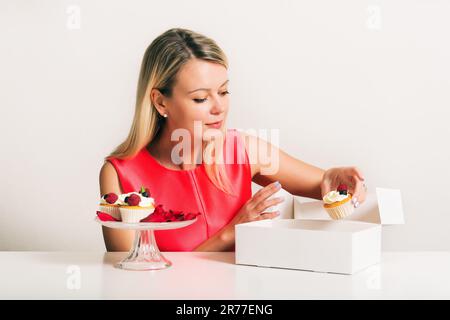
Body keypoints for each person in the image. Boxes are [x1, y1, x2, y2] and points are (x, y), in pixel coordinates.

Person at [99, 28, 367, 252]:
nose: (219, 108)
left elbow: (324, 184)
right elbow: (131, 279)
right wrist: (230, 234)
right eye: (201, 98)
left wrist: (334, 178)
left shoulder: (243, 150)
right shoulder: (120, 175)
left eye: (224, 92)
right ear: (160, 101)